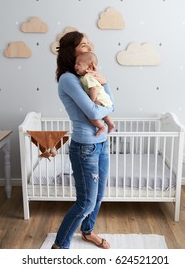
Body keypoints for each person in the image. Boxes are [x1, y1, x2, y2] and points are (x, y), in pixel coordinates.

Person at [53, 31, 115, 249]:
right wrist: (105, 107)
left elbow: (112, 105)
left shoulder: (85, 77)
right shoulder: (68, 79)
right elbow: (93, 110)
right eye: (83, 45)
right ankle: (60, 246)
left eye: (89, 44)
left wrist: (104, 81)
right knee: (85, 201)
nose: (89, 48)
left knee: (98, 196)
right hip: (85, 147)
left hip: (101, 142)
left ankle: (87, 231)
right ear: (72, 50)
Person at [75, 52, 115, 136]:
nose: (76, 66)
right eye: (75, 64)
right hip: (103, 98)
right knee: (103, 113)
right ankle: (110, 124)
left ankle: (101, 127)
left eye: (79, 64)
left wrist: (91, 102)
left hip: (99, 98)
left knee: (90, 114)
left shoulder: (88, 77)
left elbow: (93, 89)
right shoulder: (86, 77)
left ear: (89, 67)